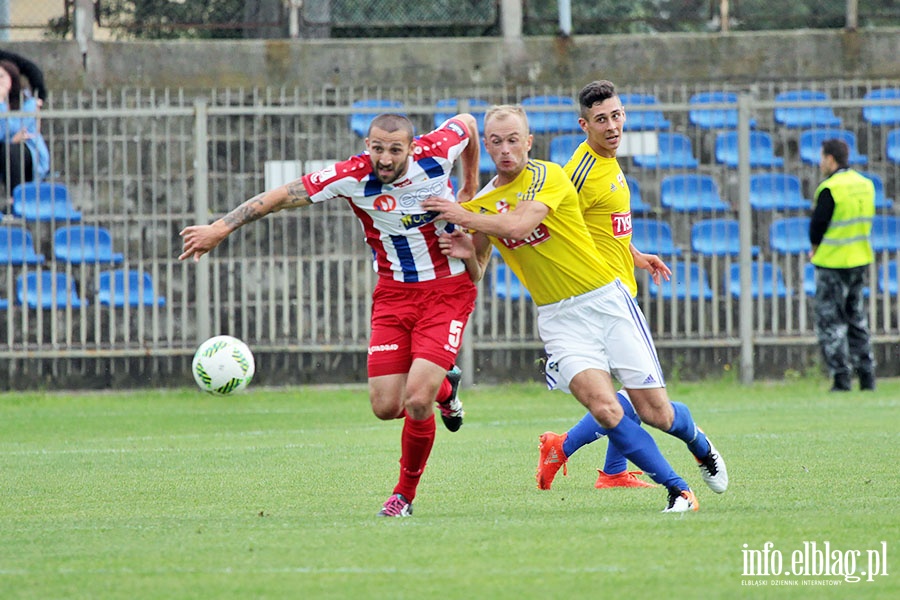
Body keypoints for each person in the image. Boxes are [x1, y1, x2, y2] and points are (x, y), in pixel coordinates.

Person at [180, 112, 482, 517]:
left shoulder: (438, 151)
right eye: (377, 148)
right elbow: (281, 196)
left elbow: (468, 123)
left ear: (412, 148)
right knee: (384, 407)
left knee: (415, 399)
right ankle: (447, 388)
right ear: (367, 146)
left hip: (447, 290)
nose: (385, 158)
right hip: (393, 295)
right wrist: (220, 228)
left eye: (395, 149)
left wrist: (469, 186)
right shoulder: (352, 176)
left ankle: (403, 496)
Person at [422, 105, 702, 512]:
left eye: (513, 139)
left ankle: (699, 444)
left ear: (529, 141)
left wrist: (461, 214)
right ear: (485, 145)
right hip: (558, 318)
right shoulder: (483, 203)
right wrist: (467, 251)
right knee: (606, 409)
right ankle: (679, 491)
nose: (505, 149)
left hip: (604, 300)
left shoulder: (548, 176)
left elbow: (518, 226)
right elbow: (478, 270)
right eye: (496, 141)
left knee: (656, 412)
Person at [536, 81, 727, 495]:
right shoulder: (581, 173)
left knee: (626, 394)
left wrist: (636, 254)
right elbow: (559, 225)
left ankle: (606, 467)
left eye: (617, 115)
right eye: (601, 119)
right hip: (599, 299)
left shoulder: (608, 161)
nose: (612, 126)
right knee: (633, 398)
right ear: (584, 125)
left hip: (618, 288)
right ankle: (567, 448)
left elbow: (601, 227)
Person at [809, 138, 876, 392]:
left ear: (830, 159)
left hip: (833, 262)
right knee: (857, 319)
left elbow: (818, 225)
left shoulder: (831, 187)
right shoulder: (866, 185)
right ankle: (867, 376)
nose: (820, 163)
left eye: (821, 157)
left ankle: (841, 378)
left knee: (831, 322)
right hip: (859, 259)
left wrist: (814, 247)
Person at [0, 59, 51, 197]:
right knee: (7, 148)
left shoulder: (29, 103)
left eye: (1, 76)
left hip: (28, 150)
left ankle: (15, 199)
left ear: (12, 78)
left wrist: (1, 103)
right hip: (5, 148)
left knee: (10, 150)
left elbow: (18, 128)